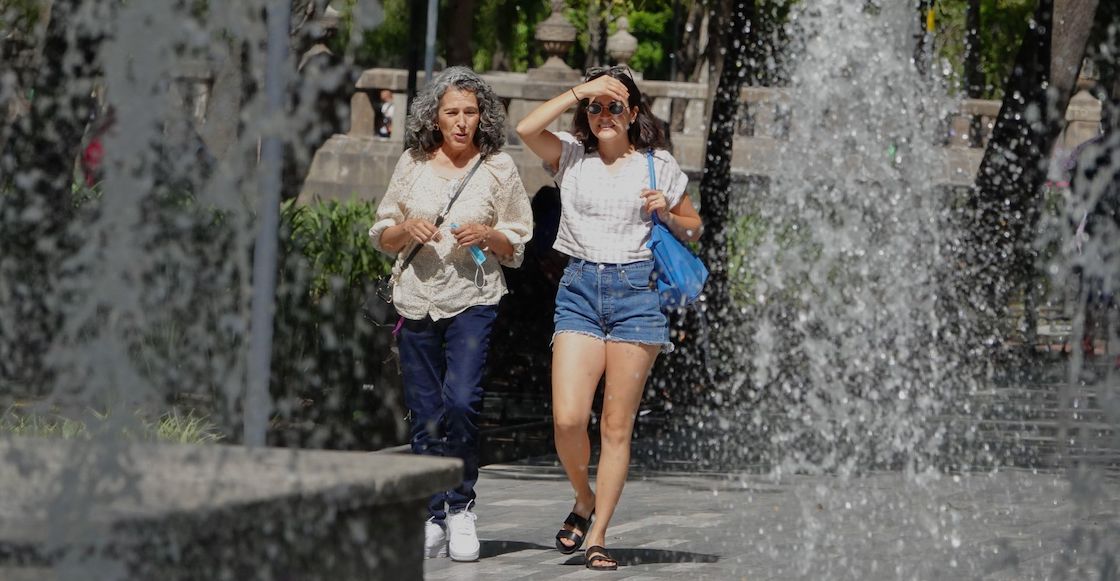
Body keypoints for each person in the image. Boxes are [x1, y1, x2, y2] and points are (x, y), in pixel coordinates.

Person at [514, 66, 702, 571]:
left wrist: (667, 211)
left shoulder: (656, 164)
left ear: (634, 113)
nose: (603, 115)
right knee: (569, 419)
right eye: (595, 107)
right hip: (579, 291)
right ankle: (583, 496)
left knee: (616, 428)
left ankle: (598, 535)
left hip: (637, 296)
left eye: (614, 105)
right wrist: (581, 90)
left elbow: (694, 226)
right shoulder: (571, 156)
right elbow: (525, 129)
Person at [368, 66, 533, 562]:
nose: (461, 122)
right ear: (434, 117)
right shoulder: (413, 162)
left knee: (461, 401)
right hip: (416, 299)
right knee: (426, 412)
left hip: (474, 298)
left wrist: (490, 236)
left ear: (482, 116)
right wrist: (407, 230)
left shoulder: (499, 166)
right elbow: (382, 231)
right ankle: (431, 515)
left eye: (470, 112)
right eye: (451, 112)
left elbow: (518, 239)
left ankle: (461, 508)